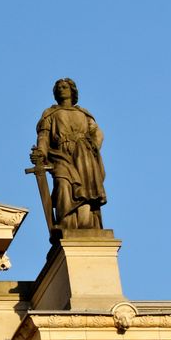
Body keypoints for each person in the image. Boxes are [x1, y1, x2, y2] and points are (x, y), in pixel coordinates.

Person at [31, 77, 106, 231]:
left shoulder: (83, 113)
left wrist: (92, 148)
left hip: (83, 155)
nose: (61, 89)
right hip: (60, 155)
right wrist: (41, 153)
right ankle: (66, 222)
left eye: (64, 87)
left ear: (72, 91)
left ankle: (87, 222)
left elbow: (97, 133)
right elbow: (44, 136)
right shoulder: (50, 113)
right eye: (58, 87)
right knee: (63, 182)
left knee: (86, 189)